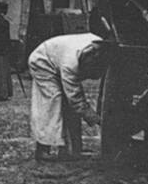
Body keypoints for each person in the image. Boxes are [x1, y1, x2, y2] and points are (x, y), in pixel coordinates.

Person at [27, 33, 110, 161]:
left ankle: (73, 149)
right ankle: (43, 149)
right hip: (42, 62)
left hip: (58, 56)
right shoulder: (70, 65)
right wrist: (95, 119)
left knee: (69, 106)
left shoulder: (100, 45)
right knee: (53, 102)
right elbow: (76, 99)